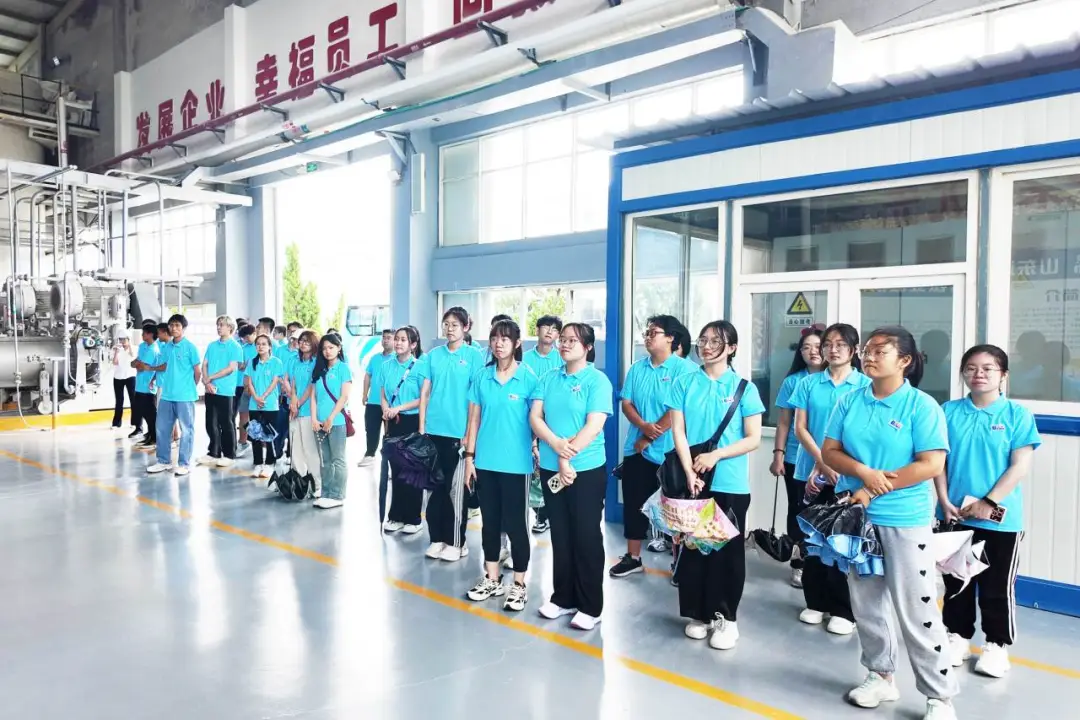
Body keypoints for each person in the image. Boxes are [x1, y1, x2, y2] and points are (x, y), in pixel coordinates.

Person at [821, 326, 958, 720]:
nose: (869, 356)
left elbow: (930, 463)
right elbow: (831, 452)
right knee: (866, 604)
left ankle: (939, 696)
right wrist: (863, 473)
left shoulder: (921, 406)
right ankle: (880, 675)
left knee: (917, 608)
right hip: (858, 518)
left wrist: (872, 487)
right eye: (867, 349)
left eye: (880, 351)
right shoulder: (849, 401)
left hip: (905, 519)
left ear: (905, 361)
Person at [936, 344, 1040, 678]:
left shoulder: (1016, 415)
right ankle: (957, 636)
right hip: (955, 515)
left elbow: (1019, 465)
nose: (978, 374)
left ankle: (996, 645)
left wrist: (989, 502)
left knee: (997, 586)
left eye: (987, 368)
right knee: (956, 581)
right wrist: (943, 500)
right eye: (971, 368)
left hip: (1001, 520)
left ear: (1003, 375)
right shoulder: (948, 412)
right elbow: (938, 461)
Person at [668, 320, 764, 651]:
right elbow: (678, 430)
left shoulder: (744, 388)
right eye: (703, 340)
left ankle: (725, 617)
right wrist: (688, 471)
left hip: (728, 483)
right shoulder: (684, 382)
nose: (706, 346)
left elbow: (753, 438)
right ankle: (699, 613)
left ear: (732, 348)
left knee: (726, 553)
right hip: (693, 480)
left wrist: (716, 455)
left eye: (716, 341)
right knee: (694, 547)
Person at [529, 322, 612, 631]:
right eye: (562, 339)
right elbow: (536, 417)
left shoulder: (597, 380)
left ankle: (591, 606)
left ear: (588, 347)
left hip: (585, 469)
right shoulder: (549, 378)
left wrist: (567, 455)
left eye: (572, 340)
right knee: (561, 534)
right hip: (552, 467)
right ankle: (563, 597)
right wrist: (555, 446)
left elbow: (594, 425)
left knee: (586, 535)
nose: (564, 344)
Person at [791, 323, 869, 635]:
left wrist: (837, 464)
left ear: (854, 350)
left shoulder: (865, 385)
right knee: (812, 539)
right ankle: (816, 602)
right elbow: (800, 428)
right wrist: (822, 462)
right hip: (810, 471)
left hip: (847, 476)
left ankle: (843, 609)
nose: (832, 349)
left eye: (840, 344)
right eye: (828, 344)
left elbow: (862, 433)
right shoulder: (808, 383)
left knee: (842, 542)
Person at [463, 320, 539, 611]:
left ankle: (519, 584)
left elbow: (537, 420)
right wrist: (469, 458)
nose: (499, 343)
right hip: (485, 462)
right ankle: (492, 578)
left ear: (517, 343)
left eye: (505, 338)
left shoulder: (528, 378)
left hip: (516, 465)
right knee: (490, 523)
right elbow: (474, 420)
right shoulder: (482, 377)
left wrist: (536, 447)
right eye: (494, 338)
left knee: (517, 525)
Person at [610, 315, 693, 579]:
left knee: (677, 508)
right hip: (637, 451)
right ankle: (633, 557)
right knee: (634, 503)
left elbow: (679, 409)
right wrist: (643, 426)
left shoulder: (685, 369)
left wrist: (650, 435)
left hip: (673, 451)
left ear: (670, 338)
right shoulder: (637, 368)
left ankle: (680, 562)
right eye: (646, 332)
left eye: (653, 332)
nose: (647, 337)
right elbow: (626, 403)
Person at [418, 306, 485, 562]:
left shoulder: (474, 356)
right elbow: (425, 392)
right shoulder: (433, 355)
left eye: (455, 324)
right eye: (446, 324)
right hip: (433, 431)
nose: (449, 328)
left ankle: (457, 543)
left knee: (456, 492)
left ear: (466, 327)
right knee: (433, 490)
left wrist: (469, 433)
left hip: (459, 434)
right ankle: (436, 539)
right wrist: (422, 427)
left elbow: (476, 399)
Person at [770, 325, 824, 588]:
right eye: (806, 347)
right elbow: (784, 423)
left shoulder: (842, 380)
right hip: (796, 457)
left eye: (817, 346)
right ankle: (799, 563)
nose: (812, 351)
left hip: (833, 460)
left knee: (828, 511)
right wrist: (778, 455)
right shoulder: (793, 381)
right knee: (798, 510)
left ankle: (825, 564)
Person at [522, 315, 564, 534]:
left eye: (554, 329)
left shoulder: (562, 358)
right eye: (546, 327)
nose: (549, 331)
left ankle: (548, 514)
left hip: (552, 424)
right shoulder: (525, 359)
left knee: (548, 468)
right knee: (531, 470)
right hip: (526, 421)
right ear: (537, 329)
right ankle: (537, 513)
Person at [381, 326, 424, 533]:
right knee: (396, 469)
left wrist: (399, 408)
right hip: (393, 422)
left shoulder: (420, 367)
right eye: (396, 339)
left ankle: (414, 519)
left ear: (413, 345)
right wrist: (386, 410)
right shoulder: (386, 366)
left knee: (412, 470)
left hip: (412, 421)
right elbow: (382, 393)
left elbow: (423, 398)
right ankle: (395, 516)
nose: (398, 343)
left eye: (403, 340)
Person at [147, 314, 202, 476]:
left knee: (187, 430)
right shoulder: (167, 347)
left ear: (183, 328)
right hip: (167, 395)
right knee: (162, 429)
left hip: (184, 396)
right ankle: (163, 461)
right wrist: (153, 377)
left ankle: (184, 463)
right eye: (171, 325)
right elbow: (165, 366)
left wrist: (190, 387)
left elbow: (197, 371)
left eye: (177, 325)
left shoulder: (190, 347)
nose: (174, 328)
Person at [311, 333, 353, 509]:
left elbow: (344, 396)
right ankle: (326, 493)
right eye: (324, 348)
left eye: (331, 347)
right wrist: (314, 419)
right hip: (319, 423)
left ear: (339, 348)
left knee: (338, 459)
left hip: (336, 422)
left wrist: (330, 418)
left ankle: (337, 495)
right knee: (325, 460)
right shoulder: (319, 369)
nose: (327, 351)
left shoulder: (344, 369)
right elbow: (313, 397)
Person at [199, 315, 243, 468]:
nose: (219, 327)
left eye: (222, 325)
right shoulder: (212, 345)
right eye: (218, 324)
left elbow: (231, 368)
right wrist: (206, 381)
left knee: (226, 422)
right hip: (210, 389)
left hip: (225, 390)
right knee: (210, 422)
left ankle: (229, 454)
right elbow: (204, 364)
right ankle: (214, 452)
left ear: (230, 328)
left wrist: (210, 378)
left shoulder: (235, 346)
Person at [244, 334, 285, 479]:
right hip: (254, 404)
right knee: (255, 434)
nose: (260, 347)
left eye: (263, 344)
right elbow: (249, 382)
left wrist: (264, 397)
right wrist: (256, 397)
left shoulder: (276, 362)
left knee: (269, 435)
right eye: (258, 344)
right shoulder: (252, 362)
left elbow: (275, 382)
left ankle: (269, 463)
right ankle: (258, 463)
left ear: (269, 347)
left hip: (270, 404)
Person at [287, 330, 322, 497]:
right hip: (295, 410)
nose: (303, 344)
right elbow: (293, 385)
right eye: (301, 341)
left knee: (310, 449)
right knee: (296, 449)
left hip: (308, 411)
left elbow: (311, 387)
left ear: (314, 343)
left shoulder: (316, 362)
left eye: (307, 341)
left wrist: (299, 404)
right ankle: (300, 483)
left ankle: (317, 483)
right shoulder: (297, 361)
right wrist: (293, 402)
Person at [360, 329, 395, 468]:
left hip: (390, 404)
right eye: (384, 337)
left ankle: (391, 460)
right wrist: (364, 394)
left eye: (389, 338)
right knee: (371, 429)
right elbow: (368, 376)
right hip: (373, 401)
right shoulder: (375, 358)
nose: (385, 340)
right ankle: (370, 455)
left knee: (390, 433)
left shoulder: (396, 359)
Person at [131, 324, 160, 450]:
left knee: (150, 414)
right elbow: (134, 363)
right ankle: (150, 435)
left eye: (144, 333)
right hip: (139, 386)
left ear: (150, 334)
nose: (142, 335)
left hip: (148, 387)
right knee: (142, 412)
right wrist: (138, 363)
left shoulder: (153, 349)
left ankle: (154, 438)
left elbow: (141, 366)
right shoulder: (143, 346)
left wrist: (138, 363)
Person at [235, 324, 257, 455]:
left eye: (248, 336)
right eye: (244, 337)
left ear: (254, 333)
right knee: (243, 414)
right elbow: (240, 366)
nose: (246, 339)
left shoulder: (263, 346)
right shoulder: (242, 348)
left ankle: (260, 444)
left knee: (258, 417)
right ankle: (243, 442)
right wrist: (244, 365)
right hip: (245, 386)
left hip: (260, 387)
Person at [111, 334, 138, 436]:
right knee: (119, 400)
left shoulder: (134, 348)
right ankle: (116, 423)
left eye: (124, 339)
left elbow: (133, 356)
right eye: (120, 339)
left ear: (128, 339)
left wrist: (129, 345)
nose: (122, 341)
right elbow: (115, 363)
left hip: (131, 376)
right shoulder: (116, 349)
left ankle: (135, 422)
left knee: (133, 400)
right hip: (118, 377)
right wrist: (116, 352)